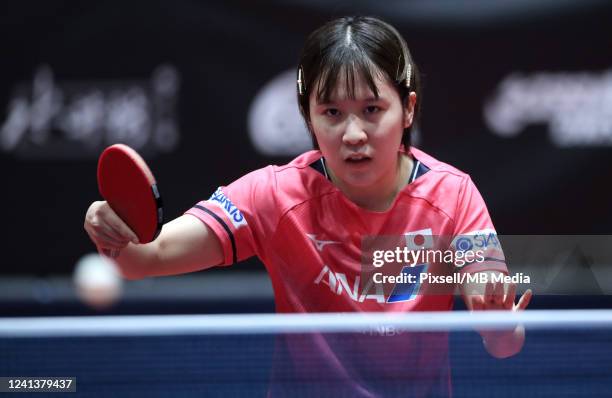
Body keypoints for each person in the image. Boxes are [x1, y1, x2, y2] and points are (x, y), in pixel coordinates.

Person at [84, 16, 531, 397]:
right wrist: (114, 231)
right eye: (332, 113)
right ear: (308, 117)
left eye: (373, 109)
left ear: (408, 109)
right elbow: (147, 259)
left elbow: (504, 343)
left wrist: (496, 324)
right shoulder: (273, 196)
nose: (353, 134)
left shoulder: (454, 197)